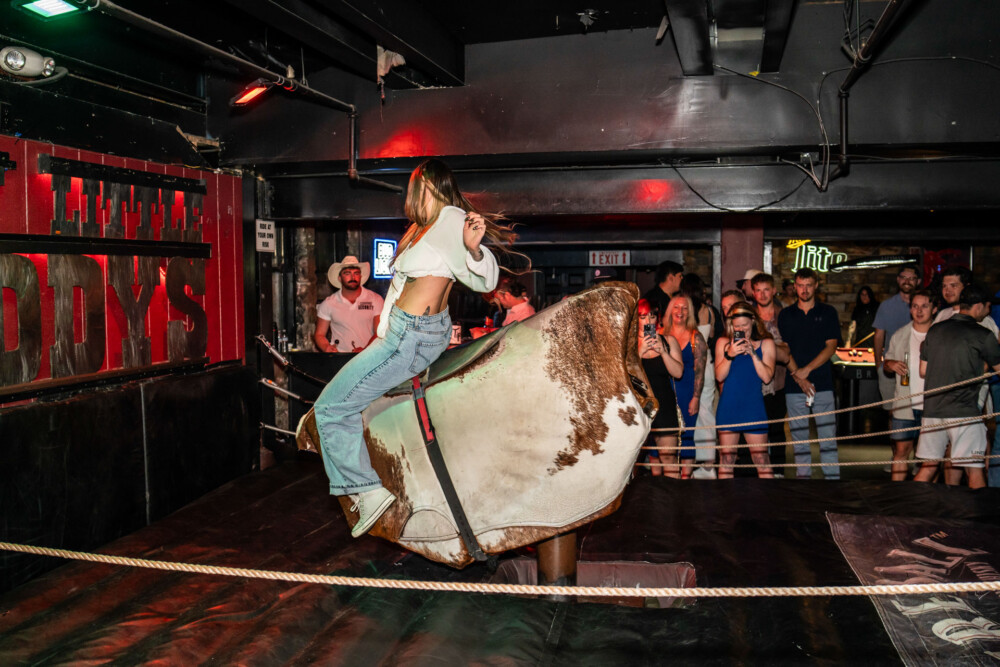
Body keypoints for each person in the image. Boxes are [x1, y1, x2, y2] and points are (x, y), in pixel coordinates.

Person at [310, 159, 517, 537]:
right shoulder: (420, 229)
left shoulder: (451, 219)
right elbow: (398, 288)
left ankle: (366, 491)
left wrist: (473, 249)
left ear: (428, 186)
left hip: (413, 336)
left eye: (415, 185)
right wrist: (382, 334)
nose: (411, 192)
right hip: (412, 331)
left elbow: (485, 277)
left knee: (329, 408)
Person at [913, 284, 1000, 490]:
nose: (989, 311)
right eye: (987, 307)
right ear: (978, 306)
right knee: (975, 469)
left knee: (928, 468)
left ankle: (902, 516)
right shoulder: (984, 335)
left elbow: (923, 371)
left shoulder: (935, 330)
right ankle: (978, 521)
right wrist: (983, 366)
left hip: (933, 410)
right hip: (963, 411)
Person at [777, 268, 842, 480]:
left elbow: (831, 347)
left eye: (808, 285)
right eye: (800, 285)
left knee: (828, 438)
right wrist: (799, 375)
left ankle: (832, 482)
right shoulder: (786, 315)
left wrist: (807, 370)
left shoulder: (828, 312)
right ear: (794, 286)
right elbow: (784, 349)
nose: (804, 290)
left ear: (815, 286)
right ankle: (802, 484)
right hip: (794, 385)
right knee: (799, 439)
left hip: (822, 383)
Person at [715, 302, 776, 479]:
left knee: (762, 461)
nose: (741, 329)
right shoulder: (724, 343)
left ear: (753, 321)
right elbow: (719, 376)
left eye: (745, 326)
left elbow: (767, 377)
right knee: (726, 462)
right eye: (737, 326)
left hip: (753, 407)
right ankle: (725, 505)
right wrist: (729, 355)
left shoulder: (766, 343)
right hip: (729, 407)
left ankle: (770, 505)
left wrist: (753, 354)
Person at [882, 290, 936, 481]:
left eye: (924, 306)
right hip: (905, 404)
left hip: (933, 405)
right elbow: (886, 364)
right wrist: (891, 364)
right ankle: (898, 496)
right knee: (901, 451)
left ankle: (926, 499)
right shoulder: (900, 334)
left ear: (934, 308)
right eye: (915, 306)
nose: (919, 310)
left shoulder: (941, 333)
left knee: (931, 457)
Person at [680, 273, 722, 479]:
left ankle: (697, 461)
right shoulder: (709, 311)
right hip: (708, 365)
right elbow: (713, 335)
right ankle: (709, 463)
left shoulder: (686, 311)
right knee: (706, 412)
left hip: (692, 363)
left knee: (692, 413)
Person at [637, 298, 684, 477]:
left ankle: (674, 502)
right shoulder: (630, 345)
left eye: (651, 316)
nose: (648, 321)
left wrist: (663, 352)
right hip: (639, 405)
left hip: (664, 404)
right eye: (643, 317)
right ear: (636, 320)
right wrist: (639, 353)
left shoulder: (669, 341)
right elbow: (625, 377)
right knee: (634, 460)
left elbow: (678, 372)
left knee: (668, 458)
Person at [751, 273, 791, 472]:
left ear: (773, 290)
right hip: (753, 384)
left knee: (776, 430)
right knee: (755, 431)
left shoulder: (783, 314)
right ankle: (757, 473)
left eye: (766, 289)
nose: (762, 294)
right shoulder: (749, 317)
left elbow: (789, 349)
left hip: (778, 382)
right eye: (758, 290)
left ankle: (778, 472)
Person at [665, 294, 708, 479]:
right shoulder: (660, 334)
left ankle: (685, 480)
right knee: (664, 436)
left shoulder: (695, 337)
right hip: (664, 392)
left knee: (687, 436)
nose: (680, 312)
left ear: (689, 312)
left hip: (687, 393)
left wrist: (696, 397)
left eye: (684, 308)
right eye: (676, 307)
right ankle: (668, 478)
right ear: (670, 310)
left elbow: (700, 371)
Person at [313, 256, 385, 353]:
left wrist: (365, 350)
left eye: (356, 273)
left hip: (368, 357)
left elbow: (379, 332)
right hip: (339, 358)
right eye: (347, 273)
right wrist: (326, 347)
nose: (353, 277)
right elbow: (319, 334)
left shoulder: (375, 299)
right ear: (339, 278)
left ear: (360, 276)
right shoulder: (328, 303)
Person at [872, 266, 920, 407]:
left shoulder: (925, 305)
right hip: (890, 368)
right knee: (892, 412)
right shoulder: (886, 306)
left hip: (918, 369)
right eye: (904, 277)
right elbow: (878, 336)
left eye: (911, 278)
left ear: (918, 281)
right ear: (898, 280)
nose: (907, 281)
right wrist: (878, 365)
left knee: (918, 412)